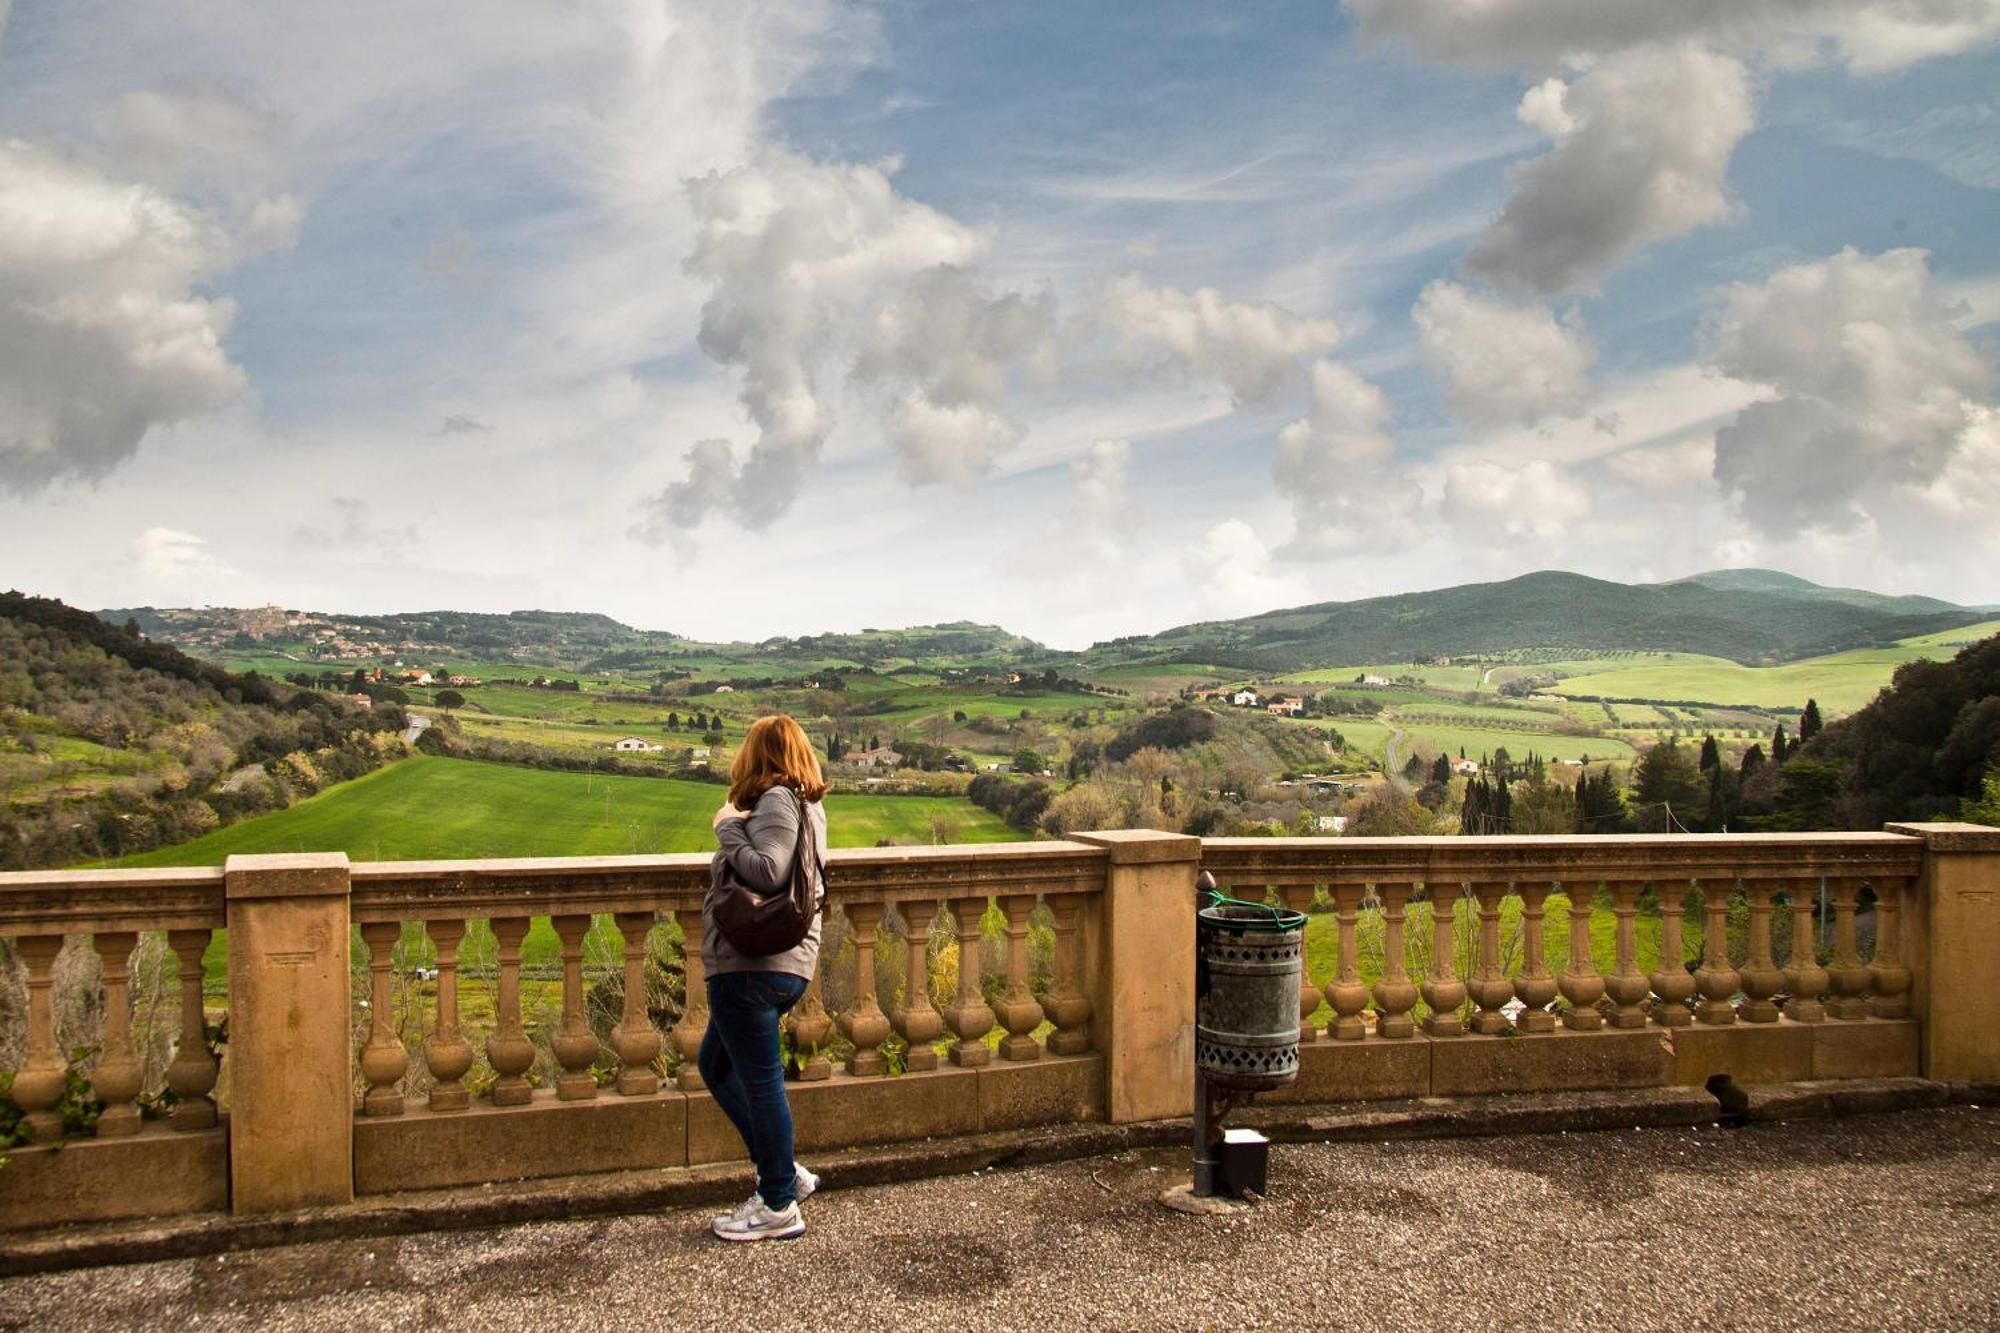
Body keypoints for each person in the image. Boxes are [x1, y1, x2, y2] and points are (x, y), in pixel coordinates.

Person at [700, 713, 829, 1242]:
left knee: (760, 1081)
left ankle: (777, 1202)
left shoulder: (777, 798)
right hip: (780, 962)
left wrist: (727, 827)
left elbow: (769, 870)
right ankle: (783, 1172)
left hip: (754, 965)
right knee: (716, 1064)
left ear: (761, 755)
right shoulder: (808, 805)